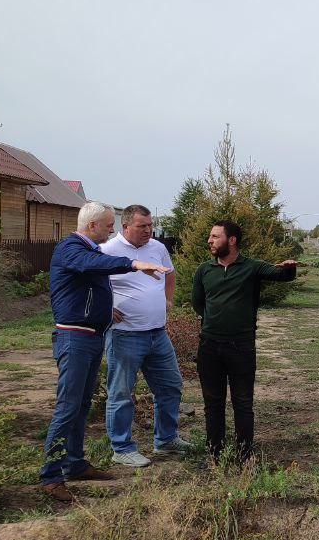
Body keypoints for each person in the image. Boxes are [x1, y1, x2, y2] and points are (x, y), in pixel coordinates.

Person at [41, 201, 170, 501]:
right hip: (74, 339)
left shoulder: (90, 251)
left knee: (82, 404)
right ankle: (51, 475)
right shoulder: (71, 249)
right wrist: (134, 263)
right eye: (109, 224)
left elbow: (92, 275)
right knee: (68, 407)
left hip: (91, 337)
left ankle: (74, 464)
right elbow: (91, 266)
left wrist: (104, 310)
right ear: (92, 226)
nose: (113, 229)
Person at [192, 220, 297, 461]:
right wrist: (214, 322)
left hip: (241, 347)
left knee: (242, 403)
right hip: (209, 346)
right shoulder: (204, 270)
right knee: (213, 403)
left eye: (215, 236)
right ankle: (215, 453)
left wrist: (289, 268)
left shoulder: (251, 267)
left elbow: (281, 275)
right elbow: (198, 303)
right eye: (210, 236)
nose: (210, 240)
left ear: (232, 240)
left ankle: (244, 455)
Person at [100, 204, 192, 468]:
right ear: (125, 226)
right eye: (142, 226)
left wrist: (168, 300)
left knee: (170, 386)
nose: (148, 231)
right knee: (121, 393)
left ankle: (166, 440)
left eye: (150, 225)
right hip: (124, 335)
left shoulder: (157, 248)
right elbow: (89, 285)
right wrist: (105, 310)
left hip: (157, 333)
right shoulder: (107, 251)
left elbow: (170, 274)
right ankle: (122, 447)